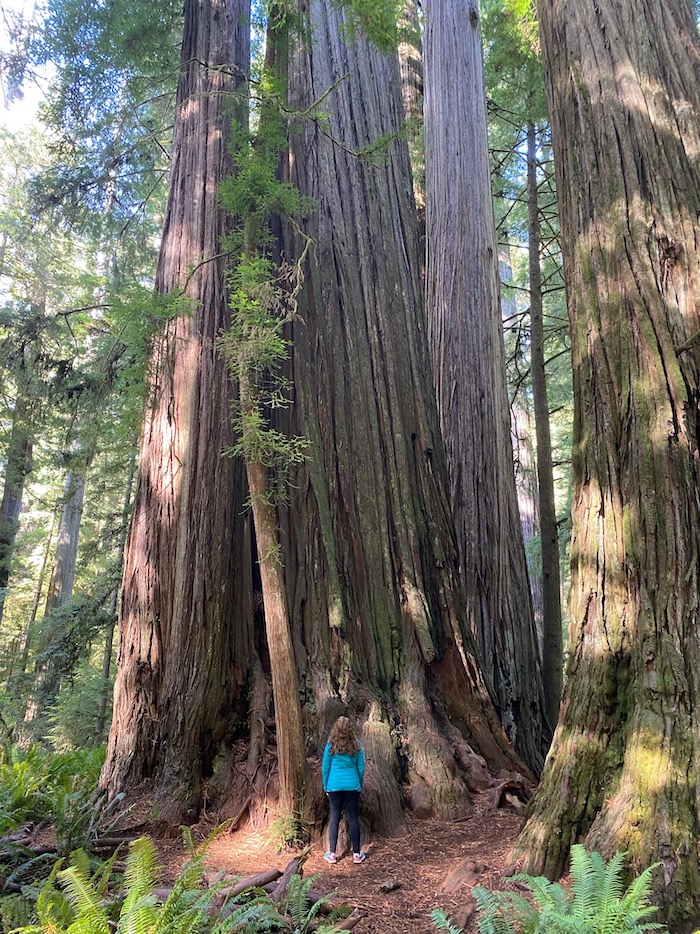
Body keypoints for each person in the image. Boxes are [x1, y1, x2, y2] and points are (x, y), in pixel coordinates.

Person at [322, 716, 366, 863]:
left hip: (334, 786)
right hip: (352, 786)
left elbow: (325, 768)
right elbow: (361, 767)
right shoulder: (356, 746)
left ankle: (332, 854)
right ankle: (357, 854)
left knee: (334, 817)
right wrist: (359, 783)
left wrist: (325, 785)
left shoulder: (330, 746)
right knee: (353, 818)